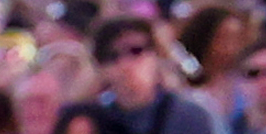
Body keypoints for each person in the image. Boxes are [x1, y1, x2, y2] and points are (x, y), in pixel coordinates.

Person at [45, 28, 203, 134]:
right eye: (112, 56)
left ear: (156, 56)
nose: (125, 64)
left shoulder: (190, 114)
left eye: (136, 51)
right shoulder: (90, 119)